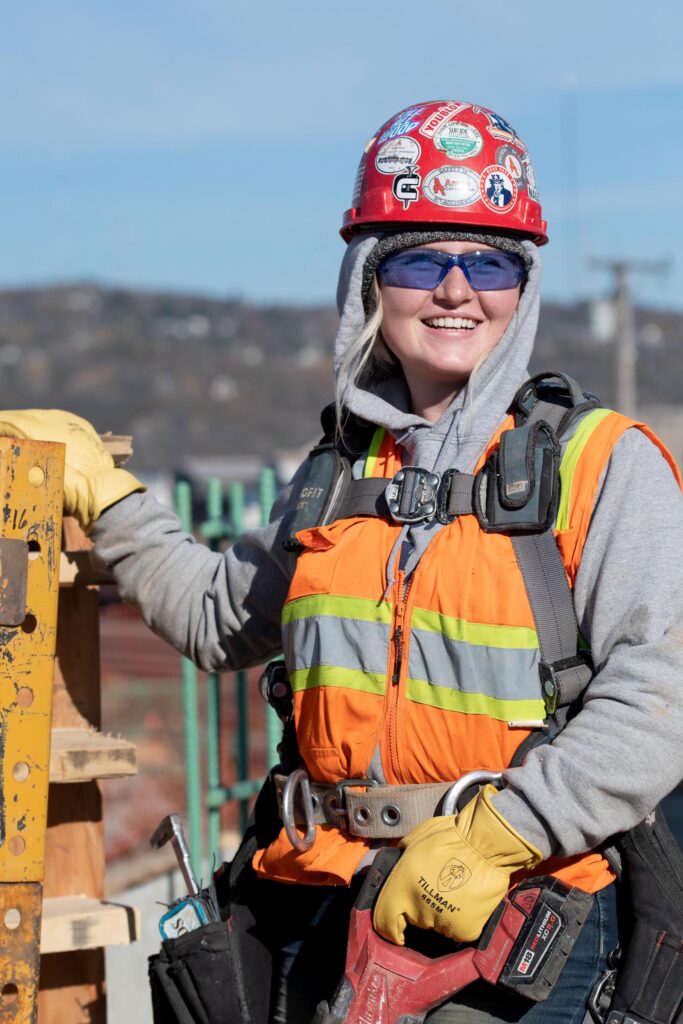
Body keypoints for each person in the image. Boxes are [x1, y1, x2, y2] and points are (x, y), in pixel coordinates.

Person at [2, 100, 683, 1024]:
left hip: (522, 919)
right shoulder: (337, 472)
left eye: (487, 261)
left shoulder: (601, 463)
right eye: (416, 259)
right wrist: (111, 499)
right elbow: (217, 618)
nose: (454, 290)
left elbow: (657, 694)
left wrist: (499, 836)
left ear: (520, 286)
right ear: (367, 277)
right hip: (323, 900)